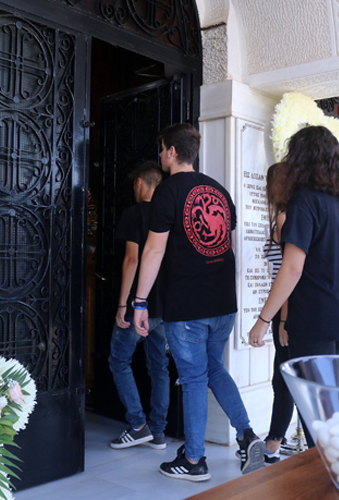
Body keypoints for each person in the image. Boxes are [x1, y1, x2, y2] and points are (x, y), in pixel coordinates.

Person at [133, 123, 265, 482]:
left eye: (162, 148)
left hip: (188, 304)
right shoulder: (219, 190)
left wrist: (140, 301)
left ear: (172, 152)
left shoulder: (167, 191)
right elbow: (228, 246)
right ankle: (247, 435)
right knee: (214, 368)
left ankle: (193, 460)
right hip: (223, 302)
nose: (161, 155)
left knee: (193, 378)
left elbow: (154, 250)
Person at [247, 125, 339, 450]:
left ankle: (323, 476)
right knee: (324, 409)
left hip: (314, 321)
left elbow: (292, 268)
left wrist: (263, 320)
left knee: (315, 417)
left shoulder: (304, 201)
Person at [108, 162, 169, 450]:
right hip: (165, 306)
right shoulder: (168, 214)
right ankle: (158, 431)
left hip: (140, 304)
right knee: (159, 367)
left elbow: (132, 260)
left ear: (140, 183)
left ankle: (137, 425)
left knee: (119, 360)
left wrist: (124, 304)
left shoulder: (134, 214)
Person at [261, 162, 305, 463]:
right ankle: (276, 440)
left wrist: (283, 320)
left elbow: (288, 275)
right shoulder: (289, 217)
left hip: (286, 310)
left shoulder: (284, 218)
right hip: (285, 308)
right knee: (285, 377)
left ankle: (273, 443)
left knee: (283, 378)